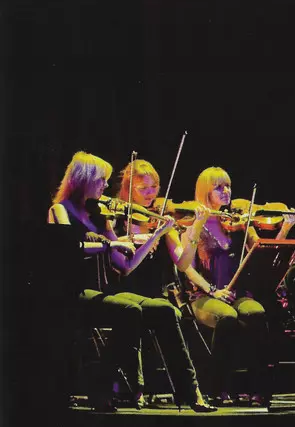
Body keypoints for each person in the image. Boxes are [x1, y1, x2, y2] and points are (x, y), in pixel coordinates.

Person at [112, 158, 216, 412]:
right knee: (146, 316)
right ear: (128, 189)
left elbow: (183, 262)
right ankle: (135, 390)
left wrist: (195, 229)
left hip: (155, 294)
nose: (150, 194)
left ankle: (191, 392)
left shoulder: (162, 219)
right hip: (123, 291)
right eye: (143, 188)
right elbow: (120, 266)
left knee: (168, 313)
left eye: (154, 187)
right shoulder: (116, 217)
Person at [182, 166, 292, 405]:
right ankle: (217, 387)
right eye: (218, 187)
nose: (226, 192)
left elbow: (265, 251)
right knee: (227, 318)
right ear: (205, 192)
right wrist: (213, 291)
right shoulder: (193, 223)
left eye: (228, 186)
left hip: (237, 292)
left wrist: (285, 228)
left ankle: (257, 388)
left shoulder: (238, 222)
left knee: (256, 313)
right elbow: (186, 267)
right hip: (204, 294)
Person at [47, 151, 145, 411]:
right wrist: (110, 244)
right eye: (101, 179)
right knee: (129, 310)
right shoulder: (60, 210)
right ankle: (101, 384)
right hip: (71, 292)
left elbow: (123, 265)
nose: (105, 185)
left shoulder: (98, 216)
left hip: (98, 292)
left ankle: (103, 380)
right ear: (84, 179)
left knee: (133, 312)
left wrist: (155, 235)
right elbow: (69, 248)